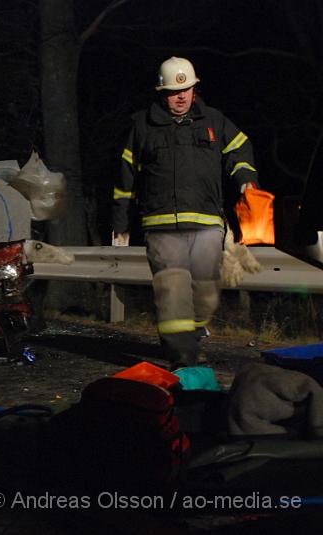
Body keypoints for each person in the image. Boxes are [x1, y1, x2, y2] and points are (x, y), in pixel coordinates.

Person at [112, 56, 259, 370]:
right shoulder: (142, 125)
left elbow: (240, 150)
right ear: (161, 92)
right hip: (160, 223)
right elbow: (125, 178)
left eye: (187, 89)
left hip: (207, 222)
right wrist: (120, 223)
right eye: (172, 91)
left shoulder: (215, 121)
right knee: (173, 287)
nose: (180, 96)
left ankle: (190, 333)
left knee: (205, 291)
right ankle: (184, 358)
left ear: (195, 89)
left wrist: (246, 180)